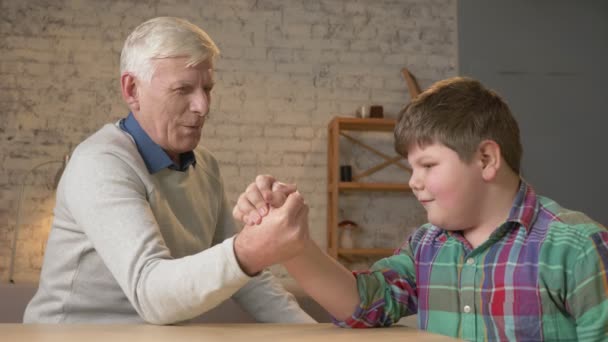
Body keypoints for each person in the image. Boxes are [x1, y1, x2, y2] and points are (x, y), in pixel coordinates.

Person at [233, 77, 608, 341]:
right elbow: (363, 305)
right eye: (410, 168)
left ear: (486, 158)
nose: (413, 181)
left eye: (427, 165)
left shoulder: (577, 249)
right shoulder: (426, 247)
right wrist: (294, 246)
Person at [24, 17, 314, 324]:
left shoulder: (206, 166)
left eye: (207, 88)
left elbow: (248, 280)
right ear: (132, 89)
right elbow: (153, 295)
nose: (202, 105)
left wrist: (310, 331)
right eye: (183, 89)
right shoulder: (99, 163)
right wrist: (248, 250)